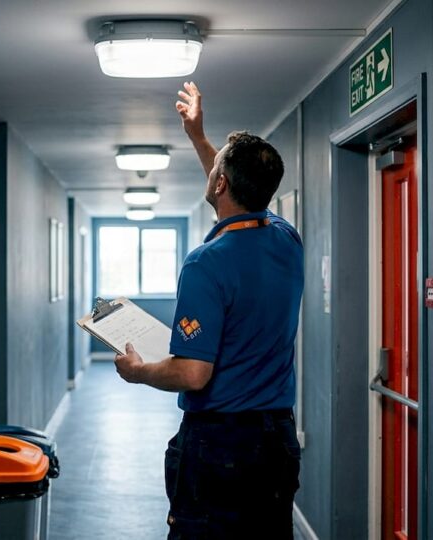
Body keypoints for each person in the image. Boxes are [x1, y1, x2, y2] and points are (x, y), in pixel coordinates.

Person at [114, 81, 304, 539]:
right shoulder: (286, 238)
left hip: (220, 444)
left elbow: (193, 373)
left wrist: (138, 371)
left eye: (215, 167)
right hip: (277, 439)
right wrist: (200, 139)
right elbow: (241, 194)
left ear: (219, 182)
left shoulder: (206, 262)